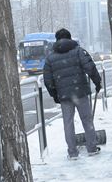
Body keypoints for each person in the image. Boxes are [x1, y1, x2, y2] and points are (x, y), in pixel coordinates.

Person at [43, 28, 102, 159]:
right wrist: (97, 82)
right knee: (87, 120)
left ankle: (72, 152)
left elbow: (48, 80)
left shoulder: (50, 57)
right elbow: (90, 68)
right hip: (80, 93)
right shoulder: (79, 51)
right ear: (69, 38)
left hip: (64, 96)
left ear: (57, 39)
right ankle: (92, 148)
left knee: (68, 123)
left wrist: (55, 95)